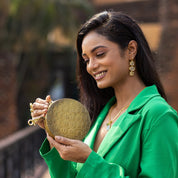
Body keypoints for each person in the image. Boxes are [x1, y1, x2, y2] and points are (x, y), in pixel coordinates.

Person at [30, 11, 178, 178]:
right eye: (86, 59)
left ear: (131, 50)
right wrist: (53, 130)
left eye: (99, 54)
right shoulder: (102, 113)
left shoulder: (158, 115)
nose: (91, 66)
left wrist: (89, 160)